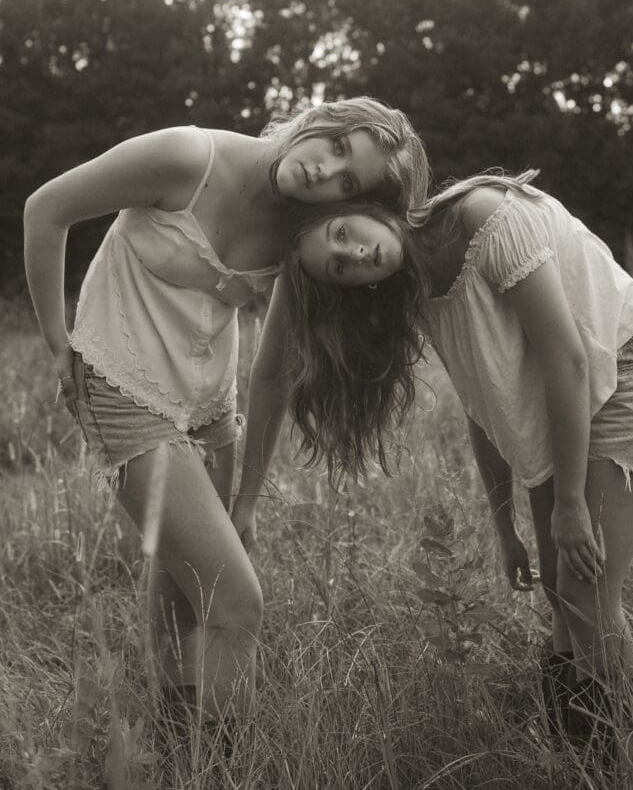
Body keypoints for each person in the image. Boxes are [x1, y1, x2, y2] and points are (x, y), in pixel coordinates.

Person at [22, 97, 430, 751]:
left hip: (208, 411)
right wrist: (56, 344)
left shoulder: (298, 228)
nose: (322, 172)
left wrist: (247, 496)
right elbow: (45, 209)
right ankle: (220, 764)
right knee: (238, 602)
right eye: (335, 149)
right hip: (119, 386)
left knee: (189, 582)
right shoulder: (186, 156)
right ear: (321, 120)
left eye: (347, 184)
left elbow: (270, 373)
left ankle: (175, 735)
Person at [244, 170, 633, 755]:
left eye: (344, 233)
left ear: (366, 209)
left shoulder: (482, 217)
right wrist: (505, 526)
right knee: (561, 589)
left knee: (586, 590)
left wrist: (570, 504)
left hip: (621, 371)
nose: (356, 253)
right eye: (340, 267)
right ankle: (573, 748)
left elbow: (569, 358)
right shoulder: (417, 293)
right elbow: (486, 401)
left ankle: (623, 758)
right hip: (561, 398)